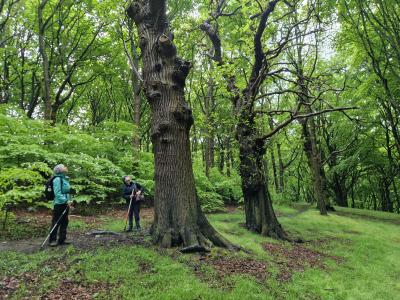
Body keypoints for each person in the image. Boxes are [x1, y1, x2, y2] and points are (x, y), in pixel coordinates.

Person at [49, 164, 72, 246]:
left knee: (65, 222)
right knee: (56, 221)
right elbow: (57, 193)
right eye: (64, 166)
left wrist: (69, 200)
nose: (66, 167)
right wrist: (66, 200)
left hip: (66, 203)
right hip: (59, 204)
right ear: (60, 170)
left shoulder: (64, 179)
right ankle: (52, 240)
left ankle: (62, 240)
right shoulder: (57, 179)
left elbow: (67, 192)